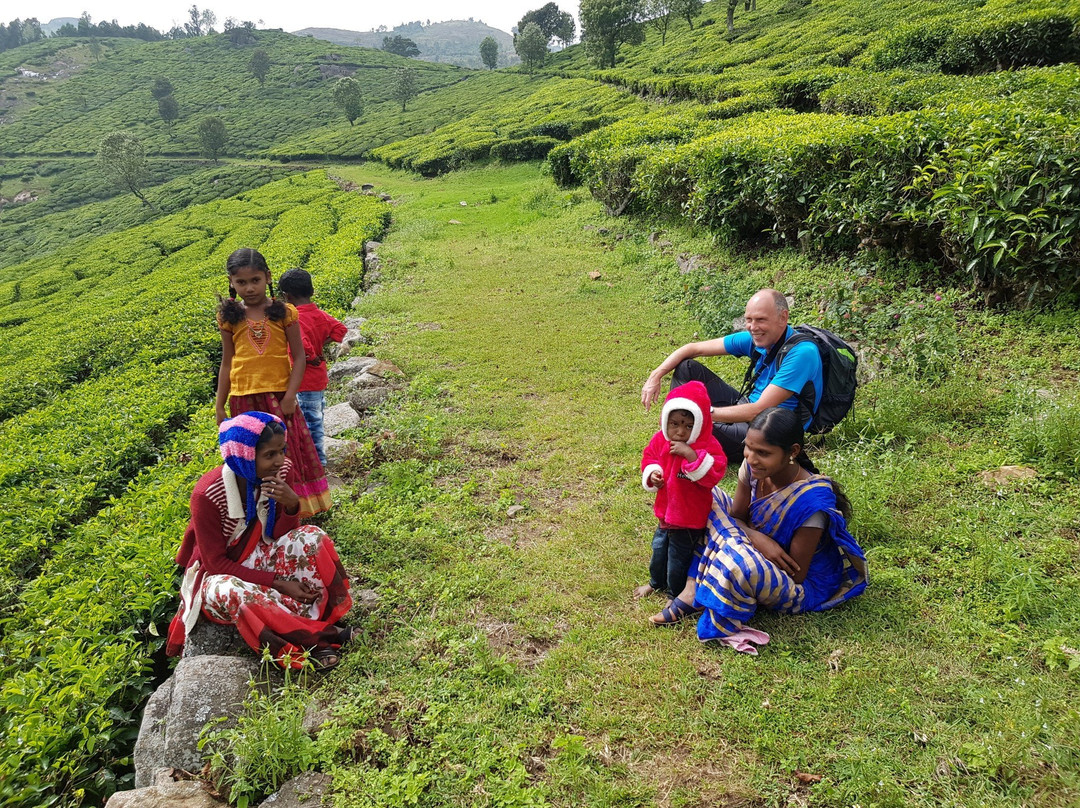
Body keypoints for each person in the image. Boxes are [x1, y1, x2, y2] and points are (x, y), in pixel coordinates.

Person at [649, 407, 867, 655]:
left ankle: (705, 582)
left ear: (792, 452)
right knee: (705, 499)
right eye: (748, 447)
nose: (751, 458)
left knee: (739, 564)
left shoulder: (811, 503)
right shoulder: (753, 468)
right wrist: (758, 538)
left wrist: (745, 538)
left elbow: (795, 575)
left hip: (797, 586)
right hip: (755, 546)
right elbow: (737, 517)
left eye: (763, 453)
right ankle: (693, 587)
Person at [166, 412, 353, 669]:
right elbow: (216, 564)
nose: (279, 461)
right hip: (218, 576)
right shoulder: (207, 494)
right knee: (230, 590)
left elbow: (279, 536)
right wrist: (279, 583)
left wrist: (291, 506)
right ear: (243, 456)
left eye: (281, 451)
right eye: (269, 455)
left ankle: (316, 618)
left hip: (260, 554)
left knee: (312, 537)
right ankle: (315, 639)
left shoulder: (281, 471)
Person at [641, 289, 823, 467]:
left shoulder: (802, 353)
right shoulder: (757, 338)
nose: (753, 327)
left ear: (783, 318)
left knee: (699, 426)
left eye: (760, 320)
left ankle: (681, 436)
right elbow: (693, 349)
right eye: (749, 320)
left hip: (768, 431)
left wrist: (701, 414)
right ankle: (678, 429)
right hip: (746, 407)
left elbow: (758, 410)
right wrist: (655, 375)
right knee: (687, 367)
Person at [215, 247, 332, 517]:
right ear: (231, 282)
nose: (249, 288)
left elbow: (300, 358)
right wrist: (220, 405)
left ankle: (295, 508)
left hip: (279, 396)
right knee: (254, 456)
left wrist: (290, 396)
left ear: (267, 277)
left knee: (287, 451)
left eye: (255, 280)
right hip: (243, 398)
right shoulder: (229, 317)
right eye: (241, 282)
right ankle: (260, 511)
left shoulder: (285, 313)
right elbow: (227, 363)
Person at [635, 381, 727, 603]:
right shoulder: (661, 440)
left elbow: (714, 473)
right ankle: (656, 582)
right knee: (659, 550)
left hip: (689, 518)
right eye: (674, 423)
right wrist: (653, 473)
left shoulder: (707, 446)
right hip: (665, 513)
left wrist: (692, 456)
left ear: (700, 424)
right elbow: (650, 457)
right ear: (665, 420)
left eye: (687, 425)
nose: (680, 431)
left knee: (678, 558)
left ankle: (674, 594)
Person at [278, 268, 348, 467]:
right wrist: (321, 345)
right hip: (318, 378)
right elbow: (340, 330)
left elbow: (301, 343)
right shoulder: (320, 315)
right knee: (316, 417)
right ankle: (316, 460)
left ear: (286, 296)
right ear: (312, 291)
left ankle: (317, 463)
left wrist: (311, 355)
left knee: (310, 423)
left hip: (303, 379)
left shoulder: (294, 318)